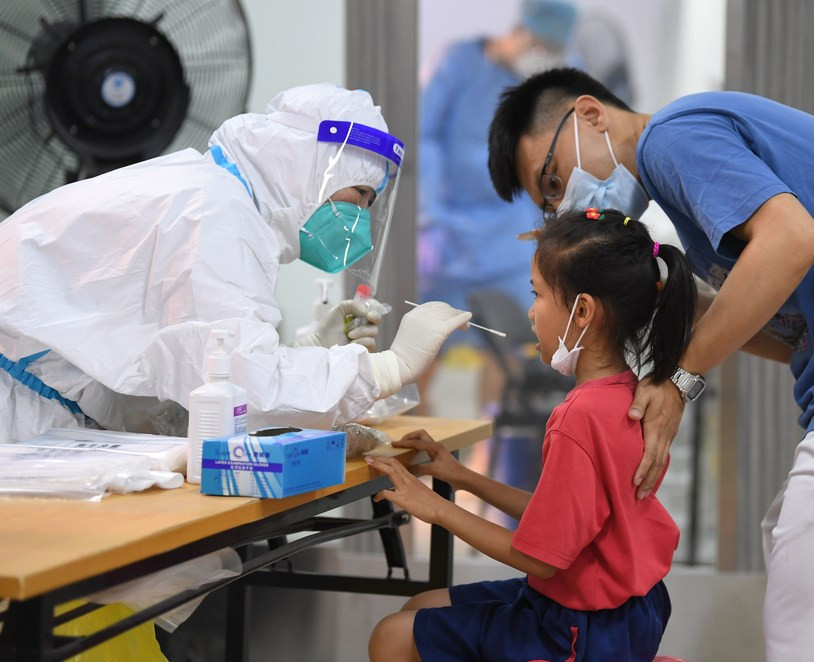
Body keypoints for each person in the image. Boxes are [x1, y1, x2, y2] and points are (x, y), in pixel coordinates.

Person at [486, 67, 814, 660]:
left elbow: (792, 242)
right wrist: (685, 311)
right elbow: (788, 330)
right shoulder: (680, 208)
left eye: (553, 180)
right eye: (551, 205)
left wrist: (680, 379)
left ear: (591, 114)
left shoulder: (672, 139)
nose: (564, 203)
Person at [0, 83, 471, 443]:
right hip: (20, 411)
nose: (360, 217)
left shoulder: (213, 196)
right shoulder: (216, 214)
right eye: (359, 194)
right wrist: (392, 367)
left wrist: (307, 349)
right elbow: (250, 387)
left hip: (40, 401)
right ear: (306, 164)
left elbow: (197, 372)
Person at [366, 208, 694, 662]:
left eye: (537, 295)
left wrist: (436, 508)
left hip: (582, 629)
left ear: (582, 311)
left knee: (391, 637)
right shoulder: (629, 397)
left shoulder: (579, 416)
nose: (530, 310)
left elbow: (543, 558)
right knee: (423, 606)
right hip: (626, 611)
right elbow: (560, 522)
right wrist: (462, 477)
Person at [417, 0, 577, 416]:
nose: (544, 53)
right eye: (540, 43)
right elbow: (425, 134)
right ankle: (409, 441)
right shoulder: (459, 63)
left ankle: (487, 461)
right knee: (419, 343)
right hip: (446, 230)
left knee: (508, 350)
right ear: (521, 30)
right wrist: (430, 208)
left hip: (505, 232)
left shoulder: (539, 85)